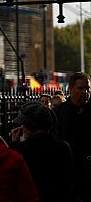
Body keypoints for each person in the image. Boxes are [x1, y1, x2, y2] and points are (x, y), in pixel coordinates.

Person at [9, 101, 76, 202]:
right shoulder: (63, 146)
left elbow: (13, 174)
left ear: (29, 125)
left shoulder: (24, 149)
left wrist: (14, 144)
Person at [52, 72, 91, 202]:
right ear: (71, 89)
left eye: (88, 88)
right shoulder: (59, 112)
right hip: (67, 171)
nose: (85, 92)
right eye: (81, 88)